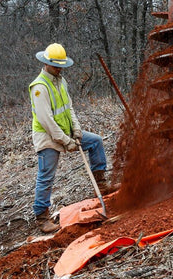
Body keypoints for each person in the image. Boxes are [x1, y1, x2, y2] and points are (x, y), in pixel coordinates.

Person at [29, 43, 112, 233]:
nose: (59, 69)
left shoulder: (61, 81)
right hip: (48, 138)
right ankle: (42, 217)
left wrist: (76, 131)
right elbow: (47, 121)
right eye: (56, 66)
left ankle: (100, 183)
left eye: (61, 66)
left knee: (96, 141)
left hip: (66, 132)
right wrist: (66, 141)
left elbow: (69, 108)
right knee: (46, 176)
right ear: (46, 63)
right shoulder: (39, 87)